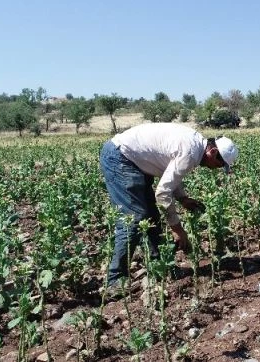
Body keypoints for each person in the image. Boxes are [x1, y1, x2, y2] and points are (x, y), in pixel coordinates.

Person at [99, 123, 239, 290]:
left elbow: (169, 170)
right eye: (219, 164)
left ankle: (161, 267)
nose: (216, 169)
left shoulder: (195, 145)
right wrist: (177, 229)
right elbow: (163, 193)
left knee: (151, 217)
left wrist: (182, 198)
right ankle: (114, 280)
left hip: (132, 160)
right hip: (120, 158)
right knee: (133, 219)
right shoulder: (190, 152)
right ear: (213, 152)